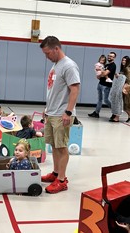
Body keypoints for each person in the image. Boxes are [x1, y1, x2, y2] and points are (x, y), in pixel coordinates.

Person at [40, 36, 80, 194]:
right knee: (54, 145)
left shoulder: (69, 66)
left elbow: (75, 89)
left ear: (56, 49)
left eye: (48, 53)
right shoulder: (55, 65)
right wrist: (47, 108)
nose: (47, 56)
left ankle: (62, 180)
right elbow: (53, 90)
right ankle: (56, 173)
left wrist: (68, 112)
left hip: (62, 113)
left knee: (61, 147)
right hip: (52, 112)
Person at [88, 52, 117, 118]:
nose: (110, 57)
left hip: (106, 85)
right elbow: (100, 74)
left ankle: (115, 112)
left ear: (114, 58)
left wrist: (100, 75)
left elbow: (104, 74)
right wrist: (100, 75)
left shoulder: (113, 65)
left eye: (112, 56)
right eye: (109, 56)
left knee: (106, 100)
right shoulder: (106, 65)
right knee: (99, 99)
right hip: (100, 84)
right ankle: (96, 113)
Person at [109, 56, 130, 122]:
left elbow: (128, 79)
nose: (123, 61)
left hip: (125, 89)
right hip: (123, 88)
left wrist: (119, 75)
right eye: (122, 60)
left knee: (124, 104)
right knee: (124, 105)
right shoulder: (124, 68)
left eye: (125, 60)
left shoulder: (127, 69)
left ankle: (117, 117)